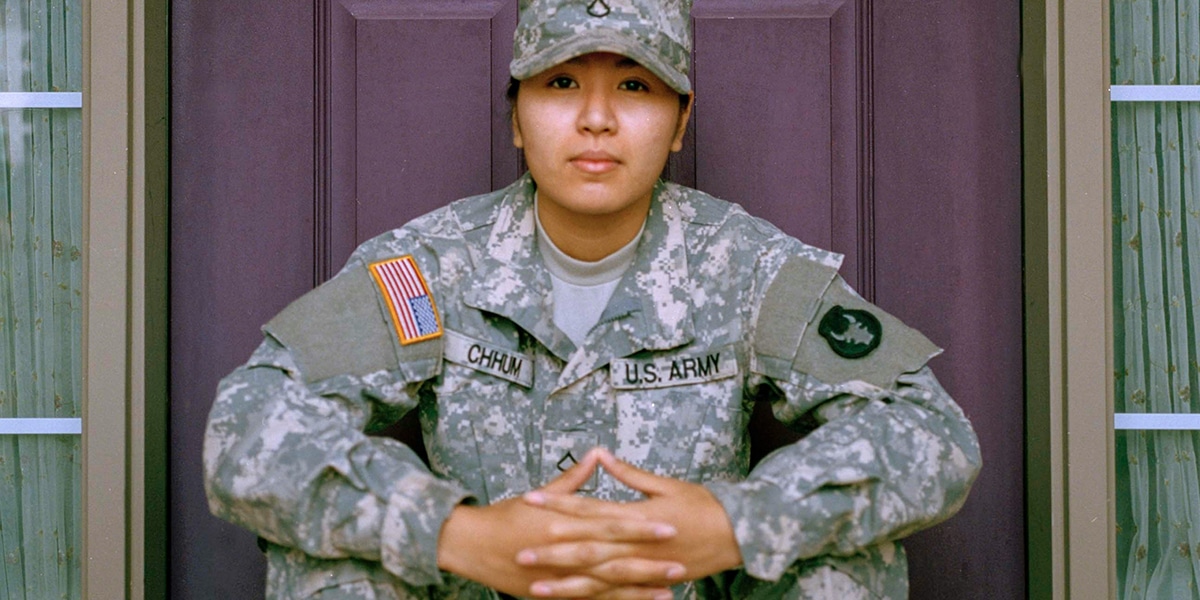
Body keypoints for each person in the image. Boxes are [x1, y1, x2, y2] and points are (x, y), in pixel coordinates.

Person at [203, 1, 982, 598]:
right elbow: (249, 428)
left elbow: (930, 432)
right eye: (562, 82)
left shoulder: (747, 267)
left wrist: (739, 522)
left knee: (843, 566)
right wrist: (453, 533)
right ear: (516, 115)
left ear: (679, 126)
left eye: (636, 86)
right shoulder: (432, 268)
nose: (597, 119)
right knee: (327, 568)